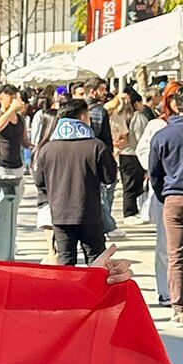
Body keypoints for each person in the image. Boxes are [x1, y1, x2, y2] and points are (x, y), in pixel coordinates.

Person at [34, 100, 118, 266]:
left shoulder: (47, 149)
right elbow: (110, 178)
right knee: (96, 264)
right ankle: (93, 293)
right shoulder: (97, 147)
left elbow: (39, 182)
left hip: (60, 215)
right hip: (90, 213)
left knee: (66, 264)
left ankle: (67, 293)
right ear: (82, 117)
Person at [137, 81, 181, 307]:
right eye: (171, 97)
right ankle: (166, 291)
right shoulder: (157, 125)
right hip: (164, 192)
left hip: (170, 191)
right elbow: (144, 153)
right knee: (167, 246)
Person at [149, 86, 183, 325]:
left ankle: (179, 306)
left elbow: (154, 172)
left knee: (175, 255)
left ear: (174, 106)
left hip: (173, 197)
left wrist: (163, 194)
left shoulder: (162, 135)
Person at [85, 77, 123, 239]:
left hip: (86, 156)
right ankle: (108, 224)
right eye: (101, 89)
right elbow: (103, 136)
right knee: (105, 191)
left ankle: (104, 223)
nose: (105, 93)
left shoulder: (82, 108)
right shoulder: (99, 111)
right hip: (101, 155)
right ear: (93, 91)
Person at [0, 84, 27, 204]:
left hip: (17, 165)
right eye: (10, 96)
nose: (14, 100)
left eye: (15, 97)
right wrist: (11, 110)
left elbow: (24, 140)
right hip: (0, 164)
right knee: (1, 200)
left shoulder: (20, 119)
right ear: (0, 98)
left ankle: (11, 223)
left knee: (15, 202)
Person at [31, 107, 59, 264]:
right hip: (52, 203)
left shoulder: (39, 149)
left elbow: (37, 178)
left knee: (52, 250)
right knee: (55, 252)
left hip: (45, 202)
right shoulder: (48, 149)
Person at [119, 89, 150, 224]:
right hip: (134, 155)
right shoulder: (138, 117)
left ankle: (130, 211)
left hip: (124, 154)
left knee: (128, 184)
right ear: (137, 103)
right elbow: (142, 138)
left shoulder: (123, 115)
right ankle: (130, 212)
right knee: (133, 185)